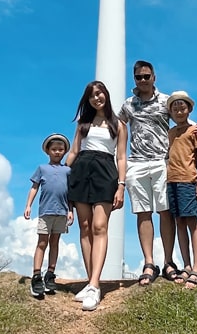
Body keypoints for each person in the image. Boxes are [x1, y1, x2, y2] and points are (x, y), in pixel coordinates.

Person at [118, 60, 197, 286]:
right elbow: (118, 124)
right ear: (134, 79)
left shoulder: (166, 101)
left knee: (165, 211)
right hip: (136, 162)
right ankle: (149, 262)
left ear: (154, 77)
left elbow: (181, 116)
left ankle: (168, 261)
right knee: (142, 212)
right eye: (139, 77)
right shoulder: (128, 105)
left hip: (161, 161)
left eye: (147, 76)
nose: (143, 80)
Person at [66, 81, 128, 311]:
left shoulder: (119, 125)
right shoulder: (82, 124)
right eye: (92, 96)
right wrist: (61, 175)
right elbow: (74, 151)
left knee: (99, 226)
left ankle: (94, 285)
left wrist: (121, 185)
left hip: (105, 172)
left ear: (106, 95)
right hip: (81, 170)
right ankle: (90, 280)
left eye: (99, 93)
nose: (96, 98)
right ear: (88, 100)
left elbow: (121, 157)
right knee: (84, 226)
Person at [165, 90, 197, 290]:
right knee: (179, 222)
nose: (179, 110)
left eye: (182, 107)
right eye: (175, 107)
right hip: (170, 181)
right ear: (171, 112)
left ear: (189, 109)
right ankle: (186, 265)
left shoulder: (194, 131)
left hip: (188, 181)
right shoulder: (170, 133)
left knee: (192, 222)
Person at [24, 133, 73, 299]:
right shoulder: (42, 168)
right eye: (54, 149)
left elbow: (70, 193)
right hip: (45, 211)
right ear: (48, 151)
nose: (57, 152)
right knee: (42, 242)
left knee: (55, 242)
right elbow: (34, 187)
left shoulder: (68, 170)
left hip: (62, 211)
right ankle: (36, 275)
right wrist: (28, 205)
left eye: (60, 149)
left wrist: (70, 210)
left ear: (65, 151)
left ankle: (50, 274)